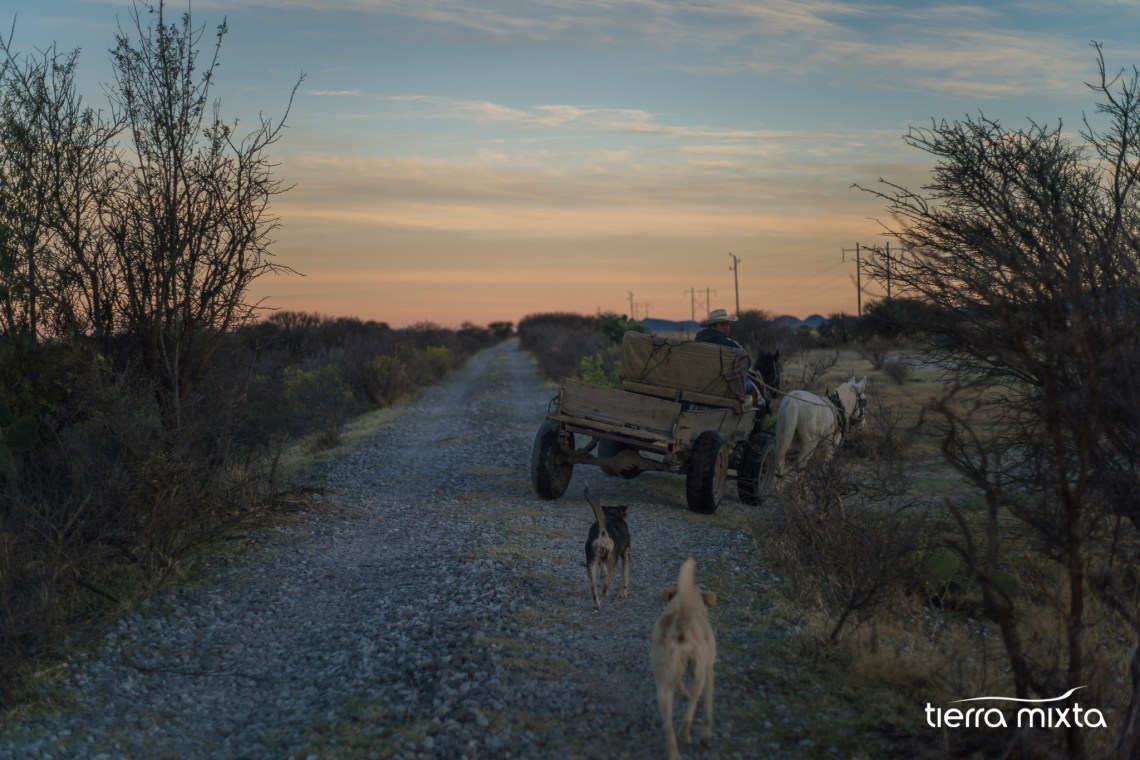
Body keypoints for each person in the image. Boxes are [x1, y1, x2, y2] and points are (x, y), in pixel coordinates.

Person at [694, 308, 759, 406]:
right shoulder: (730, 344)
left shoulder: (697, 342)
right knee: (751, 387)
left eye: (727, 324)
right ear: (713, 326)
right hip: (724, 386)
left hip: (698, 384)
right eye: (722, 324)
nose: (726, 327)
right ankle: (748, 414)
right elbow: (747, 363)